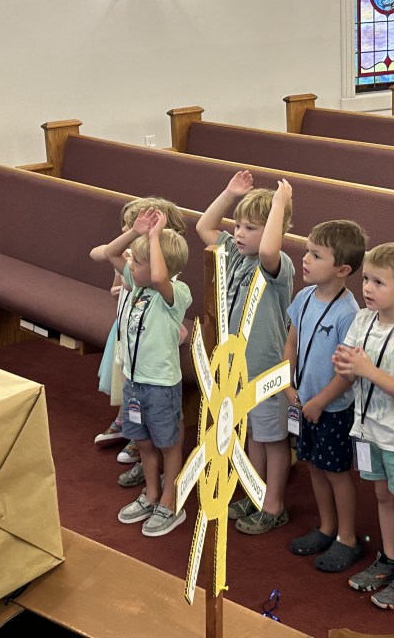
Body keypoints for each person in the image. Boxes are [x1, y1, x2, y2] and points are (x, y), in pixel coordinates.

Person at [331, 242, 394, 610]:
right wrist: (345, 365)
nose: (368, 288)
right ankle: (391, 559)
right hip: (367, 429)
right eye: (366, 280)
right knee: (382, 496)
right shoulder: (363, 319)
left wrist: (367, 370)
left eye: (379, 282)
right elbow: (350, 365)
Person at [197, 170, 295, 535]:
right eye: (238, 225)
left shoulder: (276, 265)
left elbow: (269, 248)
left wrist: (280, 204)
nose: (239, 233)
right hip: (237, 367)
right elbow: (204, 227)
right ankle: (255, 493)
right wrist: (229, 193)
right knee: (253, 433)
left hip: (265, 369)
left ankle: (274, 504)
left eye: (250, 228)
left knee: (273, 439)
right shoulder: (237, 255)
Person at [97, 207, 192, 537]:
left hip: (160, 386)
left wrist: (154, 238)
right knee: (144, 442)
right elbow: (110, 253)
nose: (130, 266)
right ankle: (151, 494)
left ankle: (170, 500)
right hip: (135, 383)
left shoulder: (175, 294)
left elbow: (159, 278)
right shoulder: (136, 287)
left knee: (168, 443)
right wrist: (135, 232)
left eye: (137, 262)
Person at [285, 220, 366, 573]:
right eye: (307, 251)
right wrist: (288, 384)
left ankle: (347, 538)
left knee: (336, 472)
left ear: (342, 269)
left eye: (316, 255)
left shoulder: (349, 313)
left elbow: (348, 372)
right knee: (314, 467)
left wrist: (320, 401)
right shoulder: (303, 297)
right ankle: (327, 527)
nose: (305, 259)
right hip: (304, 401)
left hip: (332, 407)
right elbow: (291, 342)